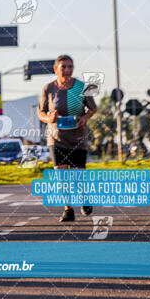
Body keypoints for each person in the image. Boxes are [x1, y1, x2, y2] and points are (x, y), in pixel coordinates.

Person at [37, 55, 97, 222]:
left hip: (78, 137)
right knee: (62, 176)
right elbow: (41, 112)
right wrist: (49, 118)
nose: (67, 70)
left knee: (78, 176)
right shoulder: (48, 88)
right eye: (63, 66)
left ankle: (84, 199)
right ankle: (68, 210)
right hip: (56, 137)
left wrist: (84, 119)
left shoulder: (81, 86)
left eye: (70, 66)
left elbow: (93, 108)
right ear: (56, 69)